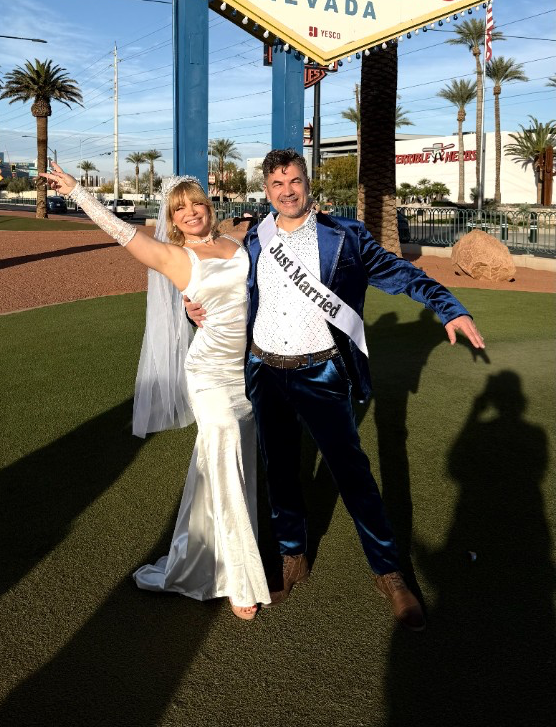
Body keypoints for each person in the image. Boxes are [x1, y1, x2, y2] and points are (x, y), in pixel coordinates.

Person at [187, 148, 485, 632]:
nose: (287, 191)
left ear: (309, 183)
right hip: (265, 369)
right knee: (280, 469)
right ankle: (292, 556)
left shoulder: (345, 235)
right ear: (266, 190)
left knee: (353, 475)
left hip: (321, 372)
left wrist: (448, 306)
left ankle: (389, 572)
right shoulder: (254, 239)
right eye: (277, 184)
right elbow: (224, 296)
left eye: (295, 181)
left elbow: (402, 274)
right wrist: (192, 311)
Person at [42, 162, 270, 621]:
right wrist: (79, 193)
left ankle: (198, 554)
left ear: (209, 206)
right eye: (179, 208)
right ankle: (240, 578)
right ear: (171, 216)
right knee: (225, 461)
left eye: (197, 204)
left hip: (247, 373)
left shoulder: (237, 242)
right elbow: (123, 233)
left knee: (227, 465)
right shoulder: (174, 257)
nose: (191, 213)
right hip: (208, 374)